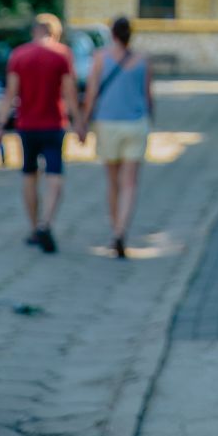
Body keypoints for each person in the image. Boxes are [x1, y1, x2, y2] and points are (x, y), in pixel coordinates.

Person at [0, 13, 80, 254]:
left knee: (29, 175)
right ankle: (46, 223)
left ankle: (33, 228)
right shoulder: (62, 54)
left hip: (27, 125)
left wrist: (0, 124)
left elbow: (10, 93)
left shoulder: (18, 55)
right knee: (55, 175)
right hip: (54, 124)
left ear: (34, 31)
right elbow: (70, 92)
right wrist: (80, 122)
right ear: (55, 32)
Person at [80, 17, 152, 259]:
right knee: (130, 182)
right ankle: (122, 230)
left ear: (112, 34)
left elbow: (91, 93)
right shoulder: (143, 60)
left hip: (107, 123)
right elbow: (148, 96)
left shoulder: (100, 57)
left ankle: (114, 230)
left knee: (113, 182)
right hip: (135, 124)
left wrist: (83, 122)